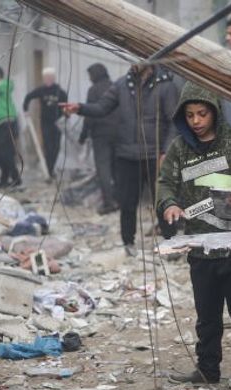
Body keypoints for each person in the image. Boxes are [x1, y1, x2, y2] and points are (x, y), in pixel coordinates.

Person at [156, 83, 231, 390]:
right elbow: (165, 183)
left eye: (202, 113)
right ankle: (207, 369)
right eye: (190, 115)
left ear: (214, 111)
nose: (196, 120)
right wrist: (170, 204)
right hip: (200, 248)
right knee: (207, 317)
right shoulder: (179, 149)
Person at [61, 64, 179, 254]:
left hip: (155, 154)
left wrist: (167, 151)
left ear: (150, 63)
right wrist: (79, 108)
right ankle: (128, 243)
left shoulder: (166, 86)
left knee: (163, 201)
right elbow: (102, 108)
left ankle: (171, 243)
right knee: (127, 202)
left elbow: (175, 121)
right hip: (126, 154)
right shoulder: (122, 85)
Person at [79, 63, 118, 214]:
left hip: (101, 134)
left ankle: (108, 203)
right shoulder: (116, 86)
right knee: (117, 168)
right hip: (119, 133)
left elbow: (89, 114)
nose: (89, 79)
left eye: (90, 75)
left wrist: (83, 135)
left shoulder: (93, 90)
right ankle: (119, 200)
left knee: (103, 169)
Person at [23, 68, 68, 179]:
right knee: (48, 147)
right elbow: (29, 97)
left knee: (56, 147)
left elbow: (66, 107)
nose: (47, 80)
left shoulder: (60, 92)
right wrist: (25, 110)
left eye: (49, 78)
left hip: (58, 123)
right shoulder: (41, 90)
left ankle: (51, 168)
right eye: (45, 78)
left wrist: (65, 116)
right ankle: (49, 171)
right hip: (45, 123)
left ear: (53, 78)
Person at [0, 66, 20, 188]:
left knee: (5, 153)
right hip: (0, 124)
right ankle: (5, 179)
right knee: (2, 153)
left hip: (7, 122)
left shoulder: (4, 84)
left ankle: (16, 178)